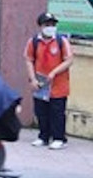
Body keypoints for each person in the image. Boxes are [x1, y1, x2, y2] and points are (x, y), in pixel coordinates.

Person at [24, 12, 73, 149]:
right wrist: (32, 79)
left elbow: (69, 60)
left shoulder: (61, 41)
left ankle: (59, 138)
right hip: (41, 83)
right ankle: (43, 136)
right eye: (47, 25)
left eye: (52, 24)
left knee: (57, 112)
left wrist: (54, 72)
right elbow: (29, 60)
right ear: (40, 26)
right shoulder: (34, 42)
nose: (50, 27)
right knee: (41, 111)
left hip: (58, 84)